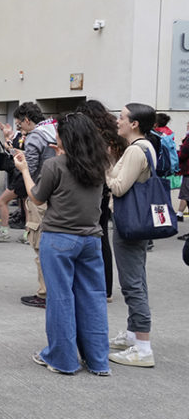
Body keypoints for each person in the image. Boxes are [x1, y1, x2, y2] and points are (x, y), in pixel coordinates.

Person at [14, 113, 110, 375]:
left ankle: (63, 359)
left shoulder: (55, 165)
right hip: (91, 239)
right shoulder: (99, 164)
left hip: (59, 238)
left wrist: (24, 170)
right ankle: (98, 361)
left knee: (60, 299)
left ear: (64, 138)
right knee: (93, 299)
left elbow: (36, 197)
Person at [105, 103, 158, 368]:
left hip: (130, 223)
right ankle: (132, 335)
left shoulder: (137, 150)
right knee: (137, 280)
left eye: (123, 117)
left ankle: (143, 347)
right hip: (135, 223)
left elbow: (118, 187)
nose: (118, 120)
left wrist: (104, 167)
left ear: (134, 123)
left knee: (132, 283)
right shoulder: (143, 147)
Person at [78, 100, 127, 301]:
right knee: (102, 236)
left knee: (97, 237)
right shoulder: (114, 135)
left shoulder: (98, 138)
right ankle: (105, 288)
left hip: (99, 188)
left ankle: (102, 288)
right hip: (107, 190)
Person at [14, 102, 57, 309]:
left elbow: (29, 169)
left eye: (20, 125)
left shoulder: (34, 137)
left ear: (27, 120)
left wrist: (18, 162)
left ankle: (44, 292)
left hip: (39, 195)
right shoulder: (54, 131)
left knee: (40, 244)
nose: (19, 129)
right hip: (58, 196)